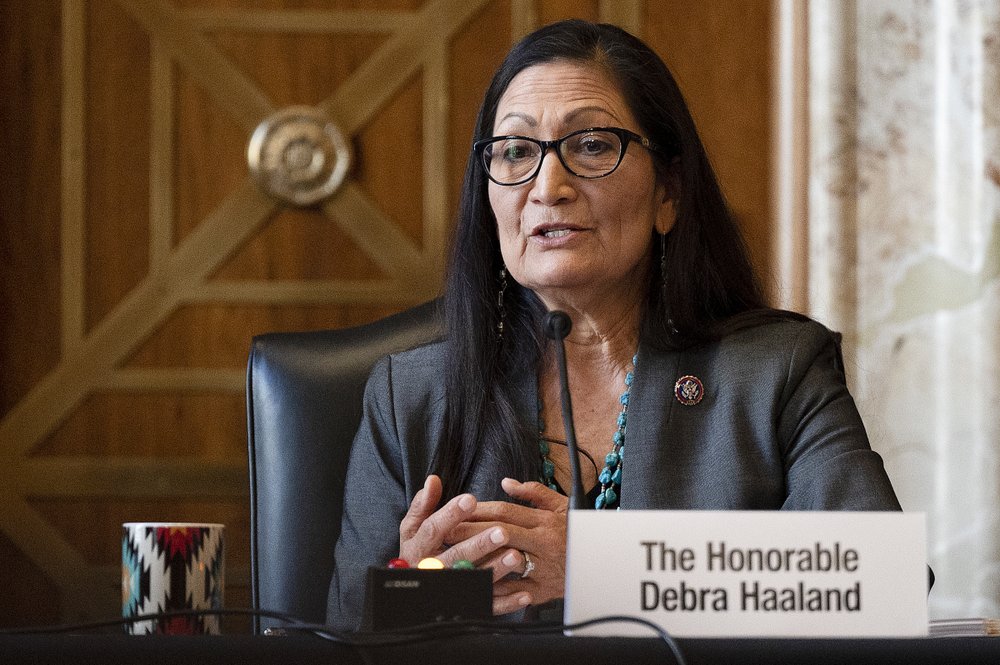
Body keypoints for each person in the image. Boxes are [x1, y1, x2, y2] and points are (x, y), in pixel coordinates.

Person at [325, 19, 902, 630]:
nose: (549, 186)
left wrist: (603, 569)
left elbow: (879, 581)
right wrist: (418, 590)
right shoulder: (412, 397)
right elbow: (335, 635)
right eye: (516, 151)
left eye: (593, 145)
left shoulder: (775, 372)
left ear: (668, 193)